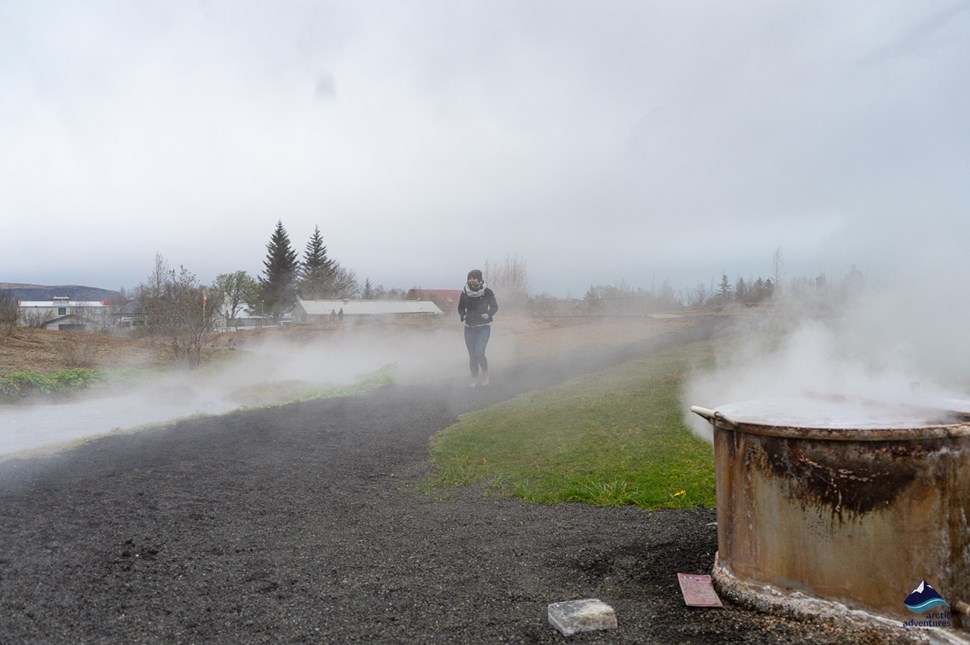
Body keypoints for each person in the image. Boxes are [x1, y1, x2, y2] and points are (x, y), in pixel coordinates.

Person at [457, 269, 498, 387]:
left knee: (479, 353)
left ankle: (485, 375)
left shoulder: (487, 292)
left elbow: (495, 306)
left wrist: (488, 314)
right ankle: (474, 378)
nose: (471, 280)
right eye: (470, 277)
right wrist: (464, 316)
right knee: (472, 355)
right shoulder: (465, 292)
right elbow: (460, 308)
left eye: (474, 277)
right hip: (469, 328)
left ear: (479, 279)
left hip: (483, 327)